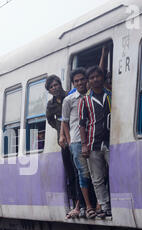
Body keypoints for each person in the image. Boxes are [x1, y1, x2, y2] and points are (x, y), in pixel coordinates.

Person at [62, 67, 97, 219]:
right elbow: (65, 122)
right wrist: (69, 141)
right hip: (76, 141)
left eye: (82, 79)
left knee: (96, 173)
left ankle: (94, 205)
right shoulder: (69, 100)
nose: (80, 82)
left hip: (93, 138)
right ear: (73, 83)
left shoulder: (92, 95)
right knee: (83, 174)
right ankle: (85, 206)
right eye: (77, 81)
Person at [45, 75, 81, 218]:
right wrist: (59, 128)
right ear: (49, 90)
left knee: (79, 171)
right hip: (64, 142)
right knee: (70, 173)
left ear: (60, 85)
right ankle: (75, 202)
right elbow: (49, 119)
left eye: (56, 84)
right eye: (52, 86)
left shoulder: (70, 96)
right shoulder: (51, 105)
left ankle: (81, 203)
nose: (55, 88)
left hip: (75, 137)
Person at [79, 66, 112, 219]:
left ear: (102, 78)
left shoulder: (111, 95)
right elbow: (82, 124)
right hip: (93, 144)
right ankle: (105, 207)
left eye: (97, 76)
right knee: (97, 178)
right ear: (89, 82)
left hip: (111, 141)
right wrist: (84, 145)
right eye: (91, 78)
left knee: (114, 174)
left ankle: (114, 204)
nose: (95, 79)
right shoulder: (84, 101)